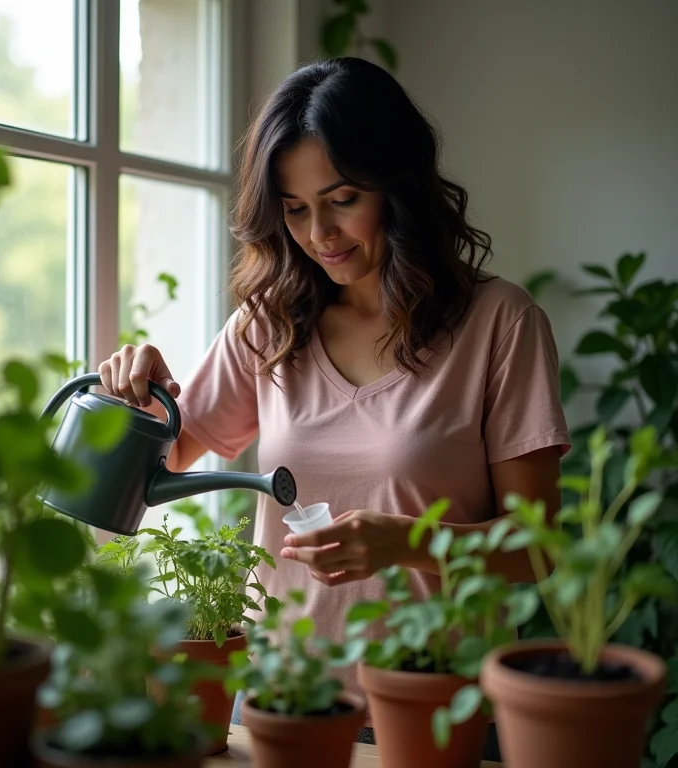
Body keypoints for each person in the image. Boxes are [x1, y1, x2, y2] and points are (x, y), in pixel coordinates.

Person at [98, 57, 570, 759]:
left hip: (436, 711)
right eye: (294, 209)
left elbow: (537, 550)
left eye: (342, 198)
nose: (318, 233)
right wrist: (132, 396)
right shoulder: (270, 324)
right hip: (281, 703)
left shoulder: (500, 323)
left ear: (397, 184)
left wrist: (405, 542)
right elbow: (163, 459)